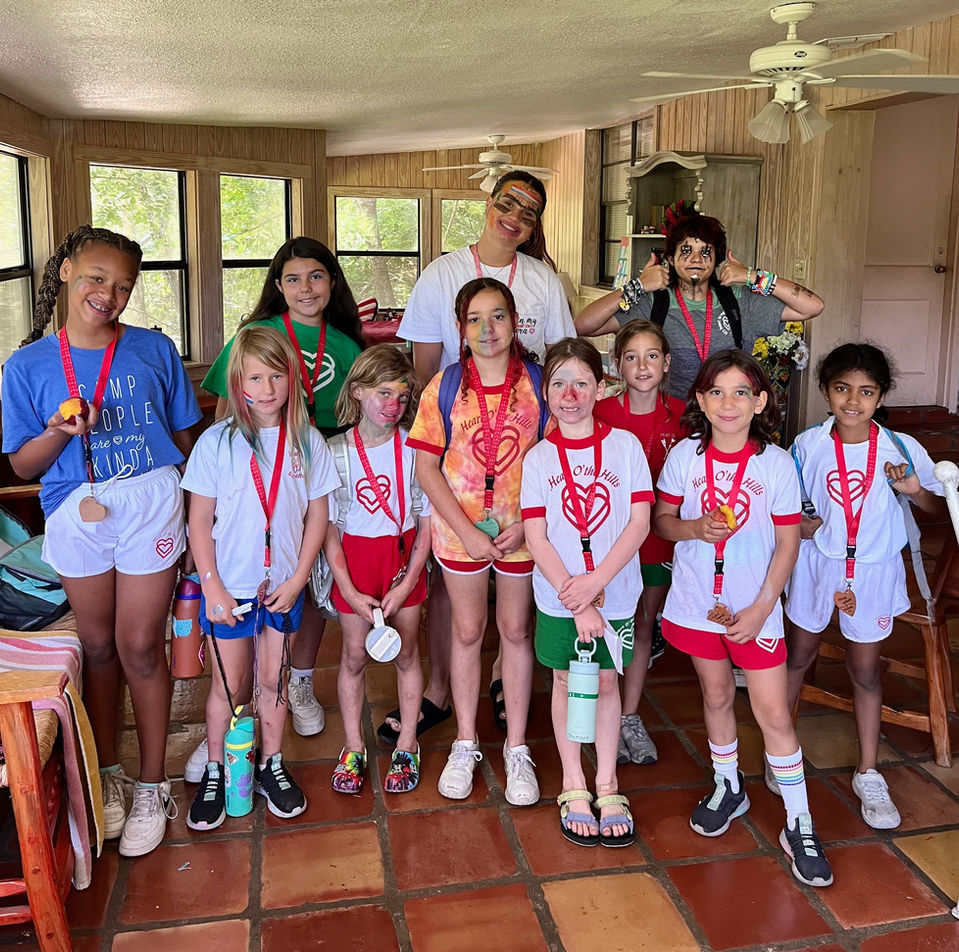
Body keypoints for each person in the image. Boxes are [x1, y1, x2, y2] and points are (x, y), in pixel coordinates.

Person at [1, 224, 202, 856]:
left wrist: (201, 523)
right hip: (76, 505)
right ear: (64, 272)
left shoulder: (151, 350)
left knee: (141, 642)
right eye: (95, 278)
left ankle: (151, 782)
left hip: (150, 500)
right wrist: (63, 429)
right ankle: (108, 775)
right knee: (96, 645)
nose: (107, 295)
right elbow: (25, 467)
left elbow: (188, 442)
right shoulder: (27, 365)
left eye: (122, 286)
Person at [391, 171, 575, 743]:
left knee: (515, 620)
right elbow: (423, 371)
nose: (514, 214)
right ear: (488, 202)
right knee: (453, 595)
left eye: (529, 209)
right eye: (507, 201)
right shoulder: (442, 273)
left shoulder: (544, 281)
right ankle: (443, 690)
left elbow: (563, 360)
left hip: (524, 459)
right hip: (456, 463)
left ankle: (502, 681)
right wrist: (450, 419)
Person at [653, 350, 833, 888]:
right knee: (714, 696)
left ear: (760, 402)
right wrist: (692, 530)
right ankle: (728, 784)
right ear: (701, 401)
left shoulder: (774, 464)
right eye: (716, 392)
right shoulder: (686, 457)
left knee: (774, 712)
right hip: (696, 602)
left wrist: (761, 608)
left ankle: (799, 820)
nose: (727, 403)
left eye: (740, 393)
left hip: (755, 608)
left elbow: (786, 544)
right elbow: (662, 522)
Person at [195, 237, 364, 759]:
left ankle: (300, 683)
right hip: (256, 471)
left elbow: (358, 420)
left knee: (306, 591)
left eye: (316, 276)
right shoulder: (256, 335)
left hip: (314, 469)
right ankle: (224, 731)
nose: (305, 287)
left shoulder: (346, 343)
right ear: (277, 286)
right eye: (292, 278)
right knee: (242, 623)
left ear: (332, 283)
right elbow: (227, 404)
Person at [783, 343, 945, 830]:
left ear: (881, 396)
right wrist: (802, 524)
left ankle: (869, 771)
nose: (853, 401)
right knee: (797, 657)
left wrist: (914, 490)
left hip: (872, 569)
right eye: (842, 389)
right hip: (817, 565)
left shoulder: (900, 449)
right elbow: (789, 505)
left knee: (865, 668)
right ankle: (781, 753)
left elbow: (941, 512)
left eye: (866, 392)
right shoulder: (807, 445)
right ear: (826, 392)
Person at [182, 324, 336, 829]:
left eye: (276, 376)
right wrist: (213, 586)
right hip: (230, 589)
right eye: (254, 377)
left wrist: (297, 579)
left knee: (274, 682)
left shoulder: (307, 441)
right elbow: (198, 521)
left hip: (283, 590)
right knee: (229, 688)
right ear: (236, 383)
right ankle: (215, 767)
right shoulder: (215, 443)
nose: (266, 389)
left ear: (292, 379)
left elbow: (318, 515)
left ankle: (270, 763)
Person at [408, 277, 542, 804]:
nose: (488, 329)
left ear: (515, 322)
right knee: (467, 632)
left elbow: (556, 462)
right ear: (460, 329)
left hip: (523, 533)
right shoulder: (443, 386)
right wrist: (466, 531)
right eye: (474, 319)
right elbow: (426, 467)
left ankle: (515, 747)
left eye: (499, 316)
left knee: (514, 630)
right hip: (460, 534)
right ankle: (465, 742)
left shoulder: (538, 383)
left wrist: (529, 526)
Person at [522, 338, 652, 847]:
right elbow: (537, 535)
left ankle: (607, 782)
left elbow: (639, 522)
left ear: (602, 386)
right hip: (558, 594)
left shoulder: (625, 447)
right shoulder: (538, 459)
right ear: (546, 393)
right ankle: (573, 782)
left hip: (613, 592)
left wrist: (595, 588)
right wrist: (573, 597)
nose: (570, 394)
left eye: (581, 382)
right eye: (558, 384)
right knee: (565, 681)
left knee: (604, 683)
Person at [324, 346, 431, 795]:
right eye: (383, 393)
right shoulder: (335, 452)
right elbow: (327, 528)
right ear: (356, 392)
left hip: (402, 562)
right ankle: (353, 745)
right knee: (353, 656)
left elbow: (427, 521)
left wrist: (408, 579)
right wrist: (346, 588)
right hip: (354, 563)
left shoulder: (416, 449)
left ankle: (407, 742)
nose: (393, 405)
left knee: (407, 652)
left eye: (403, 397)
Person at [573, 208, 824, 400]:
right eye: (686, 250)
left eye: (706, 251)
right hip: (671, 424)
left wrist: (753, 276)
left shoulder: (740, 301)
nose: (696, 259)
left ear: (716, 260)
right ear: (670, 258)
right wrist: (636, 285)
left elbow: (813, 306)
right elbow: (584, 325)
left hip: (728, 422)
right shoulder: (653, 303)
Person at [594, 320, 686, 765]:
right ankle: (597, 708)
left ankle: (629, 715)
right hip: (611, 537)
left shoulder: (685, 415)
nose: (642, 365)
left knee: (644, 624)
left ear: (666, 363)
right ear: (617, 365)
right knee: (608, 619)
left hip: (659, 540)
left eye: (652, 356)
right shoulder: (602, 413)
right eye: (631, 357)